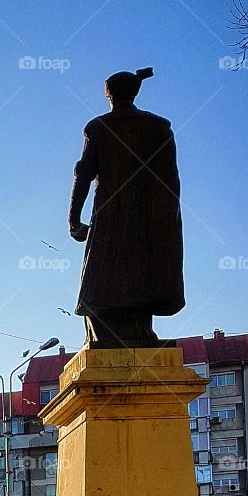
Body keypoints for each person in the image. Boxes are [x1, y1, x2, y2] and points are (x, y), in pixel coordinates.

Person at [69, 67, 184, 348]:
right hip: (149, 217)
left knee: (101, 276)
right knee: (142, 271)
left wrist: (73, 220)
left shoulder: (97, 128)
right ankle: (140, 332)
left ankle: (106, 334)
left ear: (109, 95)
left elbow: (83, 174)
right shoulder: (159, 127)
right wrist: (165, 222)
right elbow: (170, 180)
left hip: (108, 215)